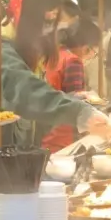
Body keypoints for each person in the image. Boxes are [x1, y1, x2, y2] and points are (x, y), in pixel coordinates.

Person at [0, 0, 111, 147]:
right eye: (46, 20)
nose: (49, 31)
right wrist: (79, 112)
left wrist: (73, 100)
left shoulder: (29, 54)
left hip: (18, 159)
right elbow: (27, 92)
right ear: (28, 17)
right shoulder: (1, 50)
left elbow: (37, 118)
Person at [42, 20, 102, 151]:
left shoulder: (56, 54)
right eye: (94, 53)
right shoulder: (74, 61)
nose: (92, 56)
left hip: (46, 133)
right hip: (63, 137)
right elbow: (75, 103)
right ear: (87, 47)